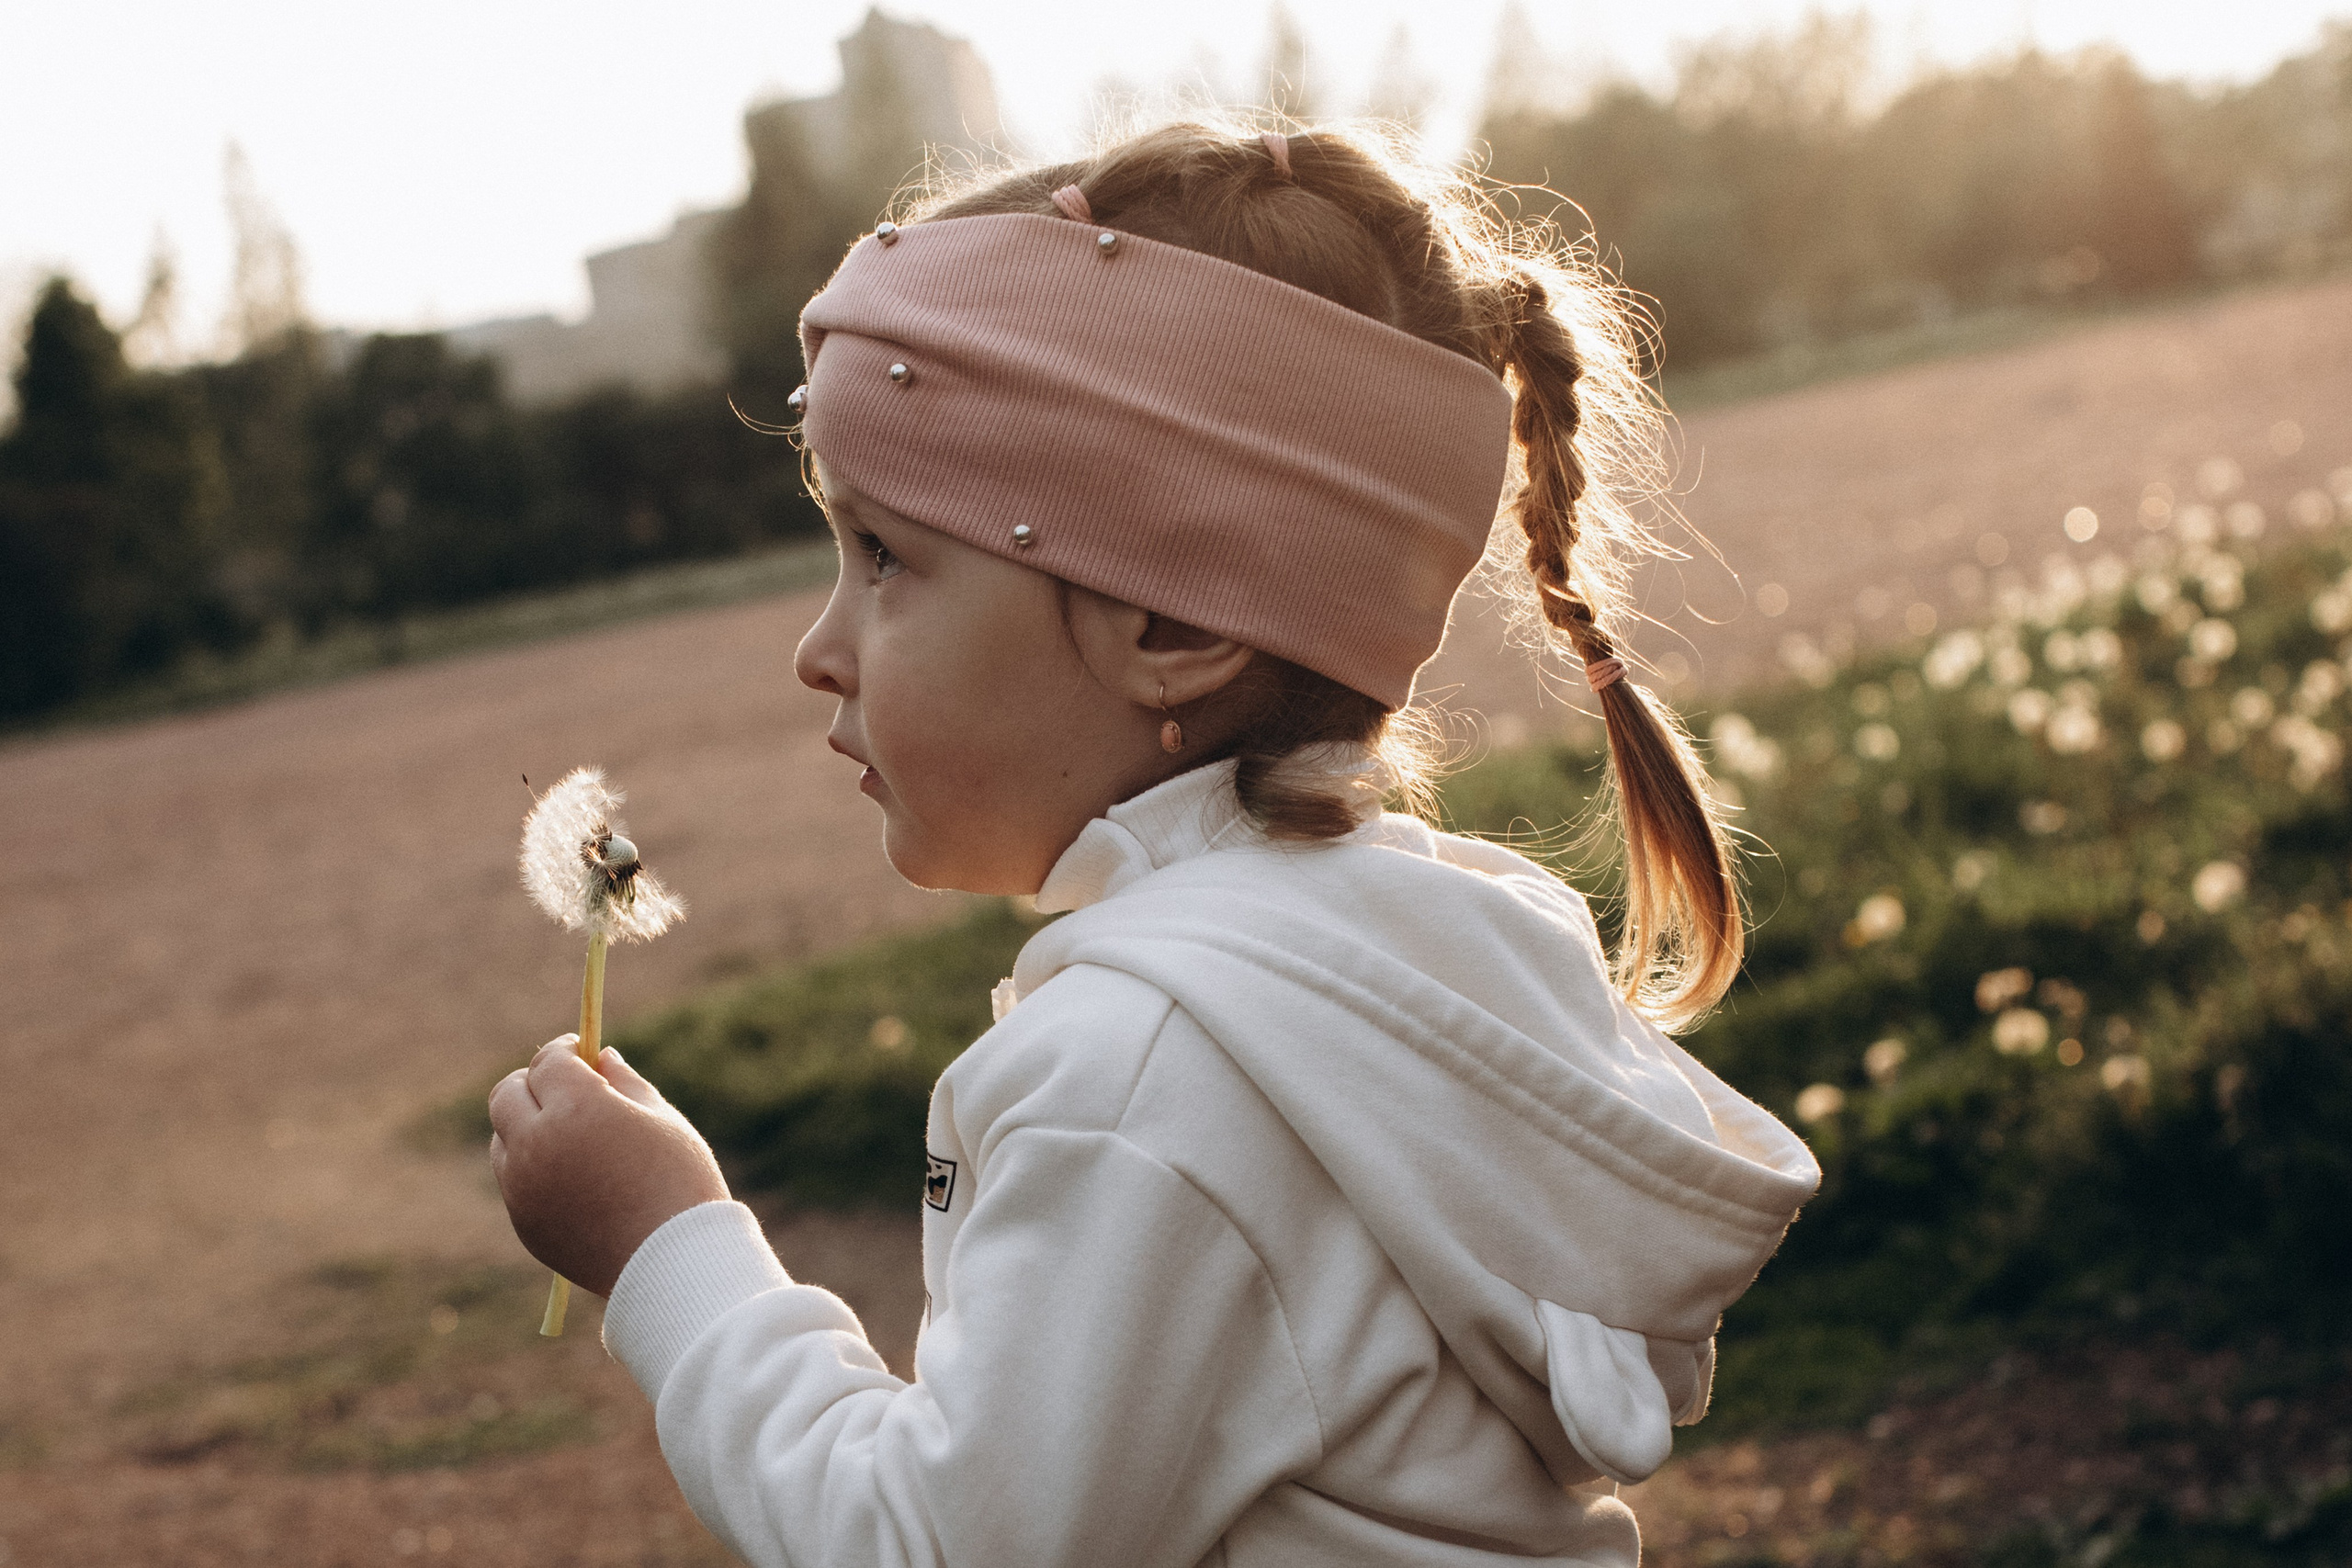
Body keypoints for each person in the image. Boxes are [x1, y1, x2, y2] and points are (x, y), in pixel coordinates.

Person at [489, 121, 1820, 1567]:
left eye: (888, 559)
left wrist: (669, 1250)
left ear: (1175, 626)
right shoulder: (1389, 959)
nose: (821, 648)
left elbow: (926, 1547)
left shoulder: (1145, 1073)